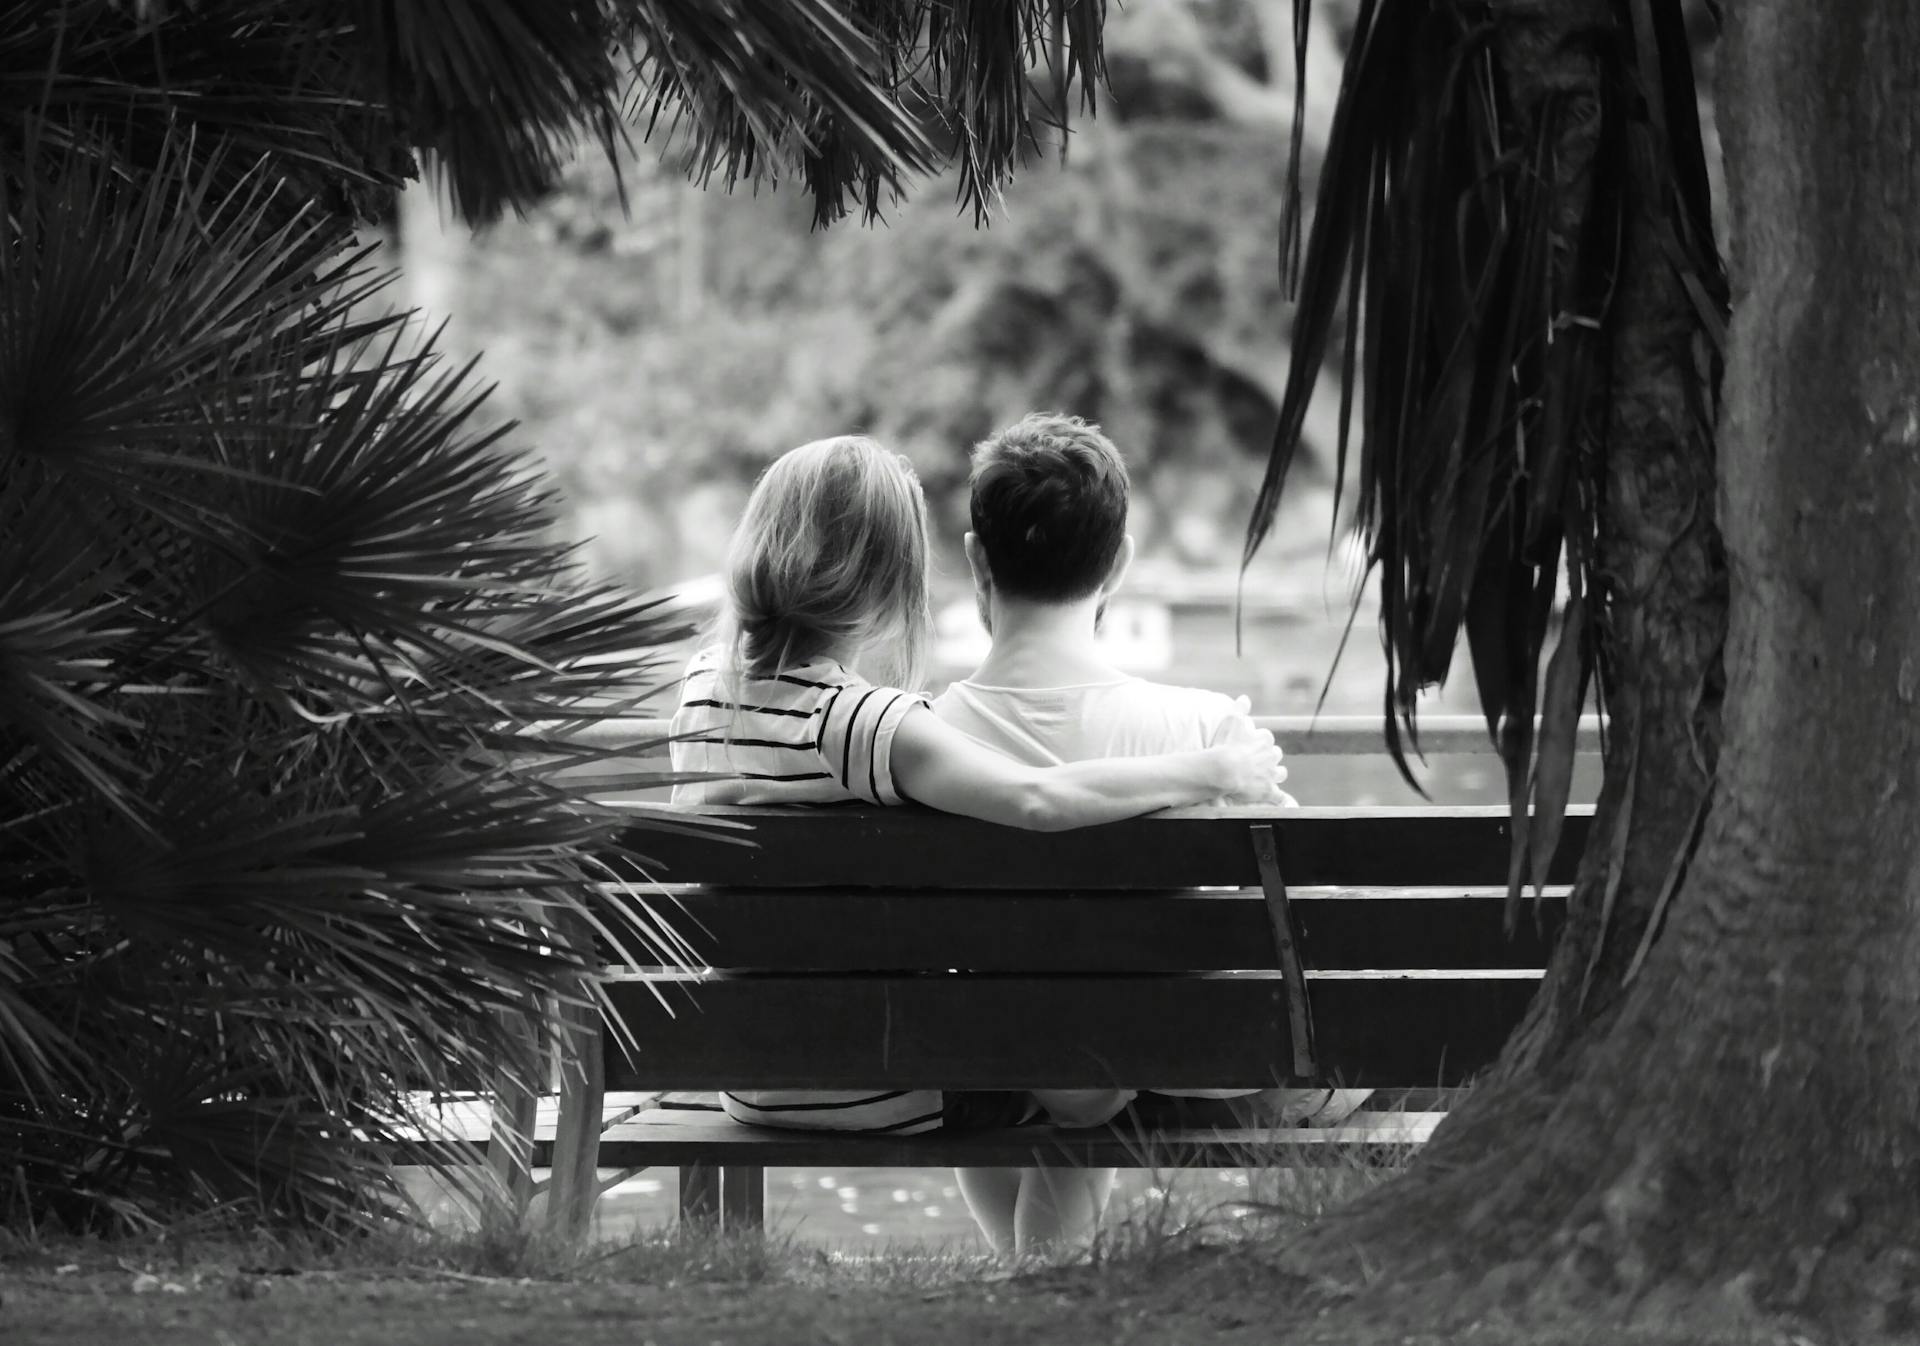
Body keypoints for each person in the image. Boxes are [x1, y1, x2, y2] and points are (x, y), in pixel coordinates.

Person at [668, 435, 1287, 1146]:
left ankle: (1029, 1253)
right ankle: (1044, 1253)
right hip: (882, 1087)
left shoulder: (704, 684)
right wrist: (1208, 770)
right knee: (1067, 1057)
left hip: (746, 1073)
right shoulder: (865, 724)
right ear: (893, 577)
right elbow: (1037, 800)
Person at [934, 412, 1367, 1255]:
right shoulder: (1204, 728)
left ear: (976, 561)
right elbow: (1296, 910)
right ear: (1122, 563)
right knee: (1114, 1038)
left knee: (1044, 1057)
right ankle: (1039, 1286)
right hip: (1183, 1060)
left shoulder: (921, 737)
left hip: (997, 1057)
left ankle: (1030, 1283)